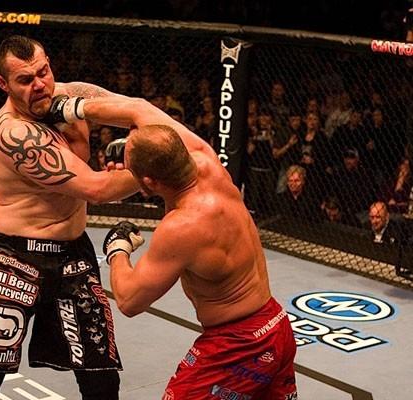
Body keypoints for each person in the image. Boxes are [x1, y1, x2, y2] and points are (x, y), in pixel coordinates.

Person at [45, 94, 298, 398]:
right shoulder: (207, 160)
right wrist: (73, 109)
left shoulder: (182, 226)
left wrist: (118, 249)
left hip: (238, 347)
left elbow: (129, 300)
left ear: (149, 183)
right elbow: (139, 109)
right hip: (276, 326)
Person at [0, 35, 139, 400]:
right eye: (25, 79)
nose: (39, 84)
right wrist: (166, 169)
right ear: (3, 84)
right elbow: (96, 189)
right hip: (15, 258)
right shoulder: (11, 130)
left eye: (43, 72)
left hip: (74, 254)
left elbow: (136, 110)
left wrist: (162, 142)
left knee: (101, 378)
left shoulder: (70, 96)